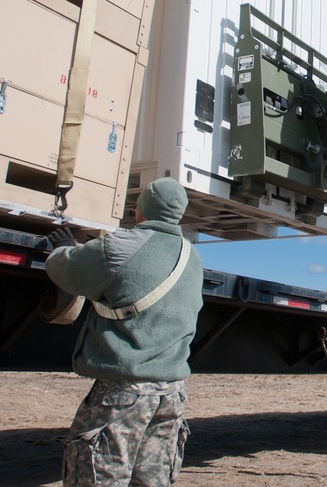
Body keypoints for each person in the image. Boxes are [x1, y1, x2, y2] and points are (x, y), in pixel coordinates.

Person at [46, 177, 203, 487]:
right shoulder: (192, 258)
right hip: (171, 395)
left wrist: (63, 249)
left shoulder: (122, 245)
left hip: (123, 395)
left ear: (139, 211)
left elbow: (64, 269)